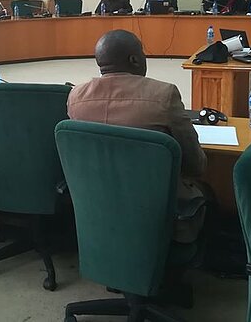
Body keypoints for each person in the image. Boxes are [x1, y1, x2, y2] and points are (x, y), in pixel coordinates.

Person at [67, 29, 207, 242]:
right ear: (134, 59)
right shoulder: (164, 95)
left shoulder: (76, 97)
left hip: (95, 203)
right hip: (154, 207)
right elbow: (195, 165)